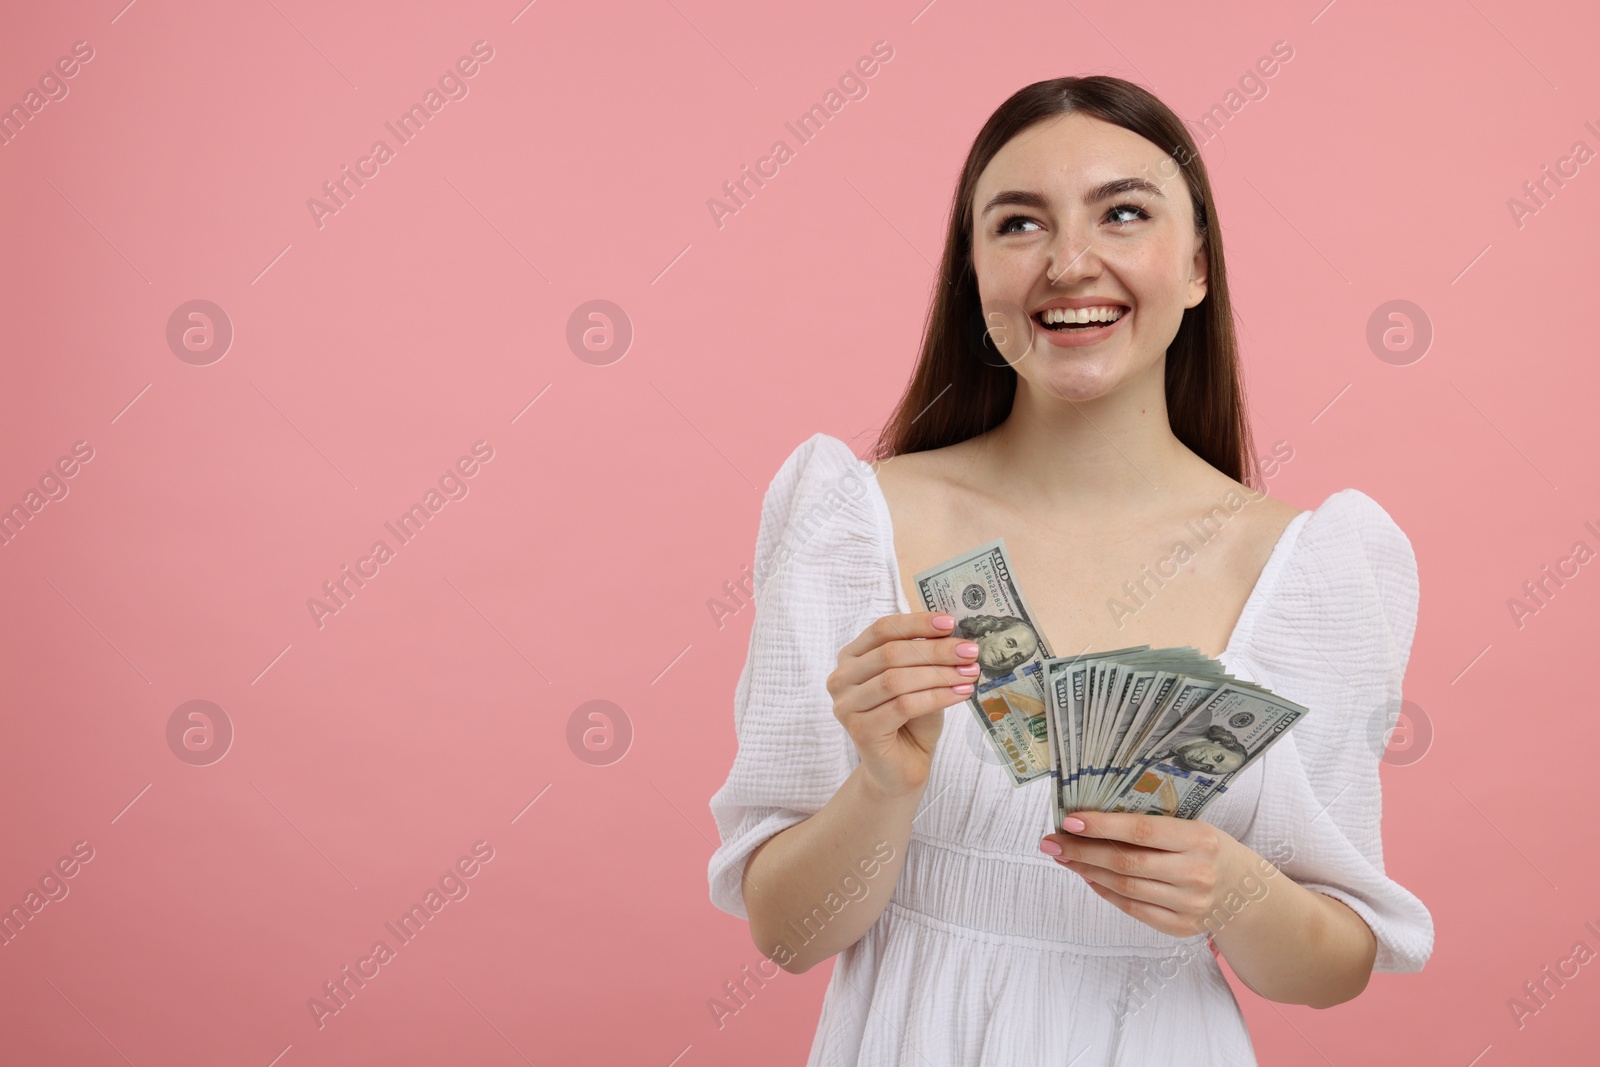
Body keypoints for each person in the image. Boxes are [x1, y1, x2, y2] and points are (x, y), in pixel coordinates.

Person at [706, 75, 1433, 1066]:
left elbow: (1332, 965)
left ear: (1196, 266)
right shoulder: (850, 521)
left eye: (1123, 213)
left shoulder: (1315, 572)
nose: (1068, 262)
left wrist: (1233, 891)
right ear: (971, 273)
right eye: (1017, 224)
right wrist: (881, 781)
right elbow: (787, 935)